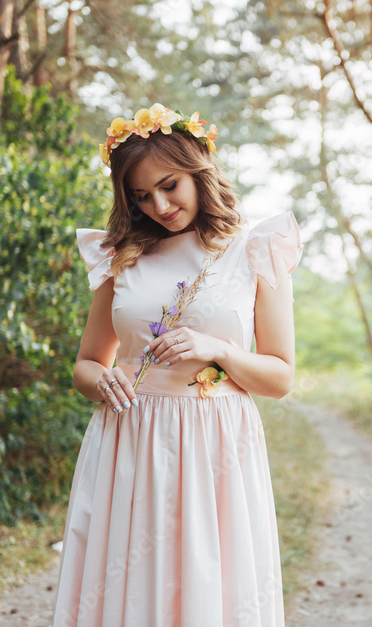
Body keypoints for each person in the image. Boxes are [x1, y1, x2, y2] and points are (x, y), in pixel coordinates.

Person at [52, 102, 302, 626]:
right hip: (129, 439)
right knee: (132, 587)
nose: (160, 205)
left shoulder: (254, 250)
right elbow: (86, 365)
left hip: (217, 445)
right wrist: (104, 383)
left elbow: (280, 377)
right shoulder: (120, 256)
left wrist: (220, 351)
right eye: (141, 196)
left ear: (198, 171)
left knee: (211, 587)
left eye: (170, 185)